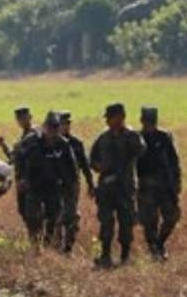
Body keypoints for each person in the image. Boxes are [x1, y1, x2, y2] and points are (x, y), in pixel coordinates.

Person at [89, 103, 145, 268]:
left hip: (125, 188)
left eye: (111, 118)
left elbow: (141, 151)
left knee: (126, 222)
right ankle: (105, 255)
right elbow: (92, 159)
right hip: (106, 188)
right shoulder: (103, 138)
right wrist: (99, 167)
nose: (108, 121)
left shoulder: (132, 136)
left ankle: (125, 256)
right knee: (106, 222)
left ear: (121, 117)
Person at [20, 112, 76, 250]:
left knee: (54, 218)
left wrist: (71, 188)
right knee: (33, 217)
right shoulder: (31, 143)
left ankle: (49, 244)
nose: (52, 131)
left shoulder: (64, 145)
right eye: (50, 127)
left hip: (54, 187)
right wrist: (21, 178)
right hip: (35, 186)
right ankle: (35, 245)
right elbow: (20, 160)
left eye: (55, 127)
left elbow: (71, 169)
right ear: (44, 127)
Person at [136, 106, 181, 260]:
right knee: (149, 220)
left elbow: (174, 161)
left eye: (152, 122)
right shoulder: (136, 138)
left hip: (164, 184)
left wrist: (176, 182)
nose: (149, 125)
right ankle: (154, 248)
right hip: (145, 185)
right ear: (142, 121)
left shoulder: (164, 137)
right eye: (147, 122)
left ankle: (160, 243)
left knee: (172, 216)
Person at [57, 111, 95, 254]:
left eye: (67, 124)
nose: (65, 126)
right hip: (56, 185)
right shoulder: (52, 143)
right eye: (62, 124)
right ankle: (57, 244)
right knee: (55, 214)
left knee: (71, 215)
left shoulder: (76, 143)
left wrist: (90, 184)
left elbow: (85, 165)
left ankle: (68, 246)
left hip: (72, 184)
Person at [0, 106, 39, 225]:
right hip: (23, 183)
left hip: (33, 182)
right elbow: (14, 158)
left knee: (33, 214)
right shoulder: (24, 137)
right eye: (19, 119)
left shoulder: (35, 136)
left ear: (30, 117)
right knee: (24, 211)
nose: (21, 121)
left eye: (24, 118)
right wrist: (4, 146)